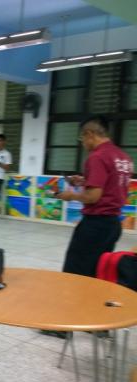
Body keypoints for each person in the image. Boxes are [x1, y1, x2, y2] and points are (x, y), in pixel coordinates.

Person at [56, 116, 133, 278]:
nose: (82, 143)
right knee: (97, 270)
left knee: (76, 272)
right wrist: (85, 181)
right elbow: (112, 185)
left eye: (82, 138)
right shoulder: (123, 157)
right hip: (113, 225)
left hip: (95, 226)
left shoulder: (97, 156)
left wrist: (70, 195)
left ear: (90, 134)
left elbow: (93, 197)